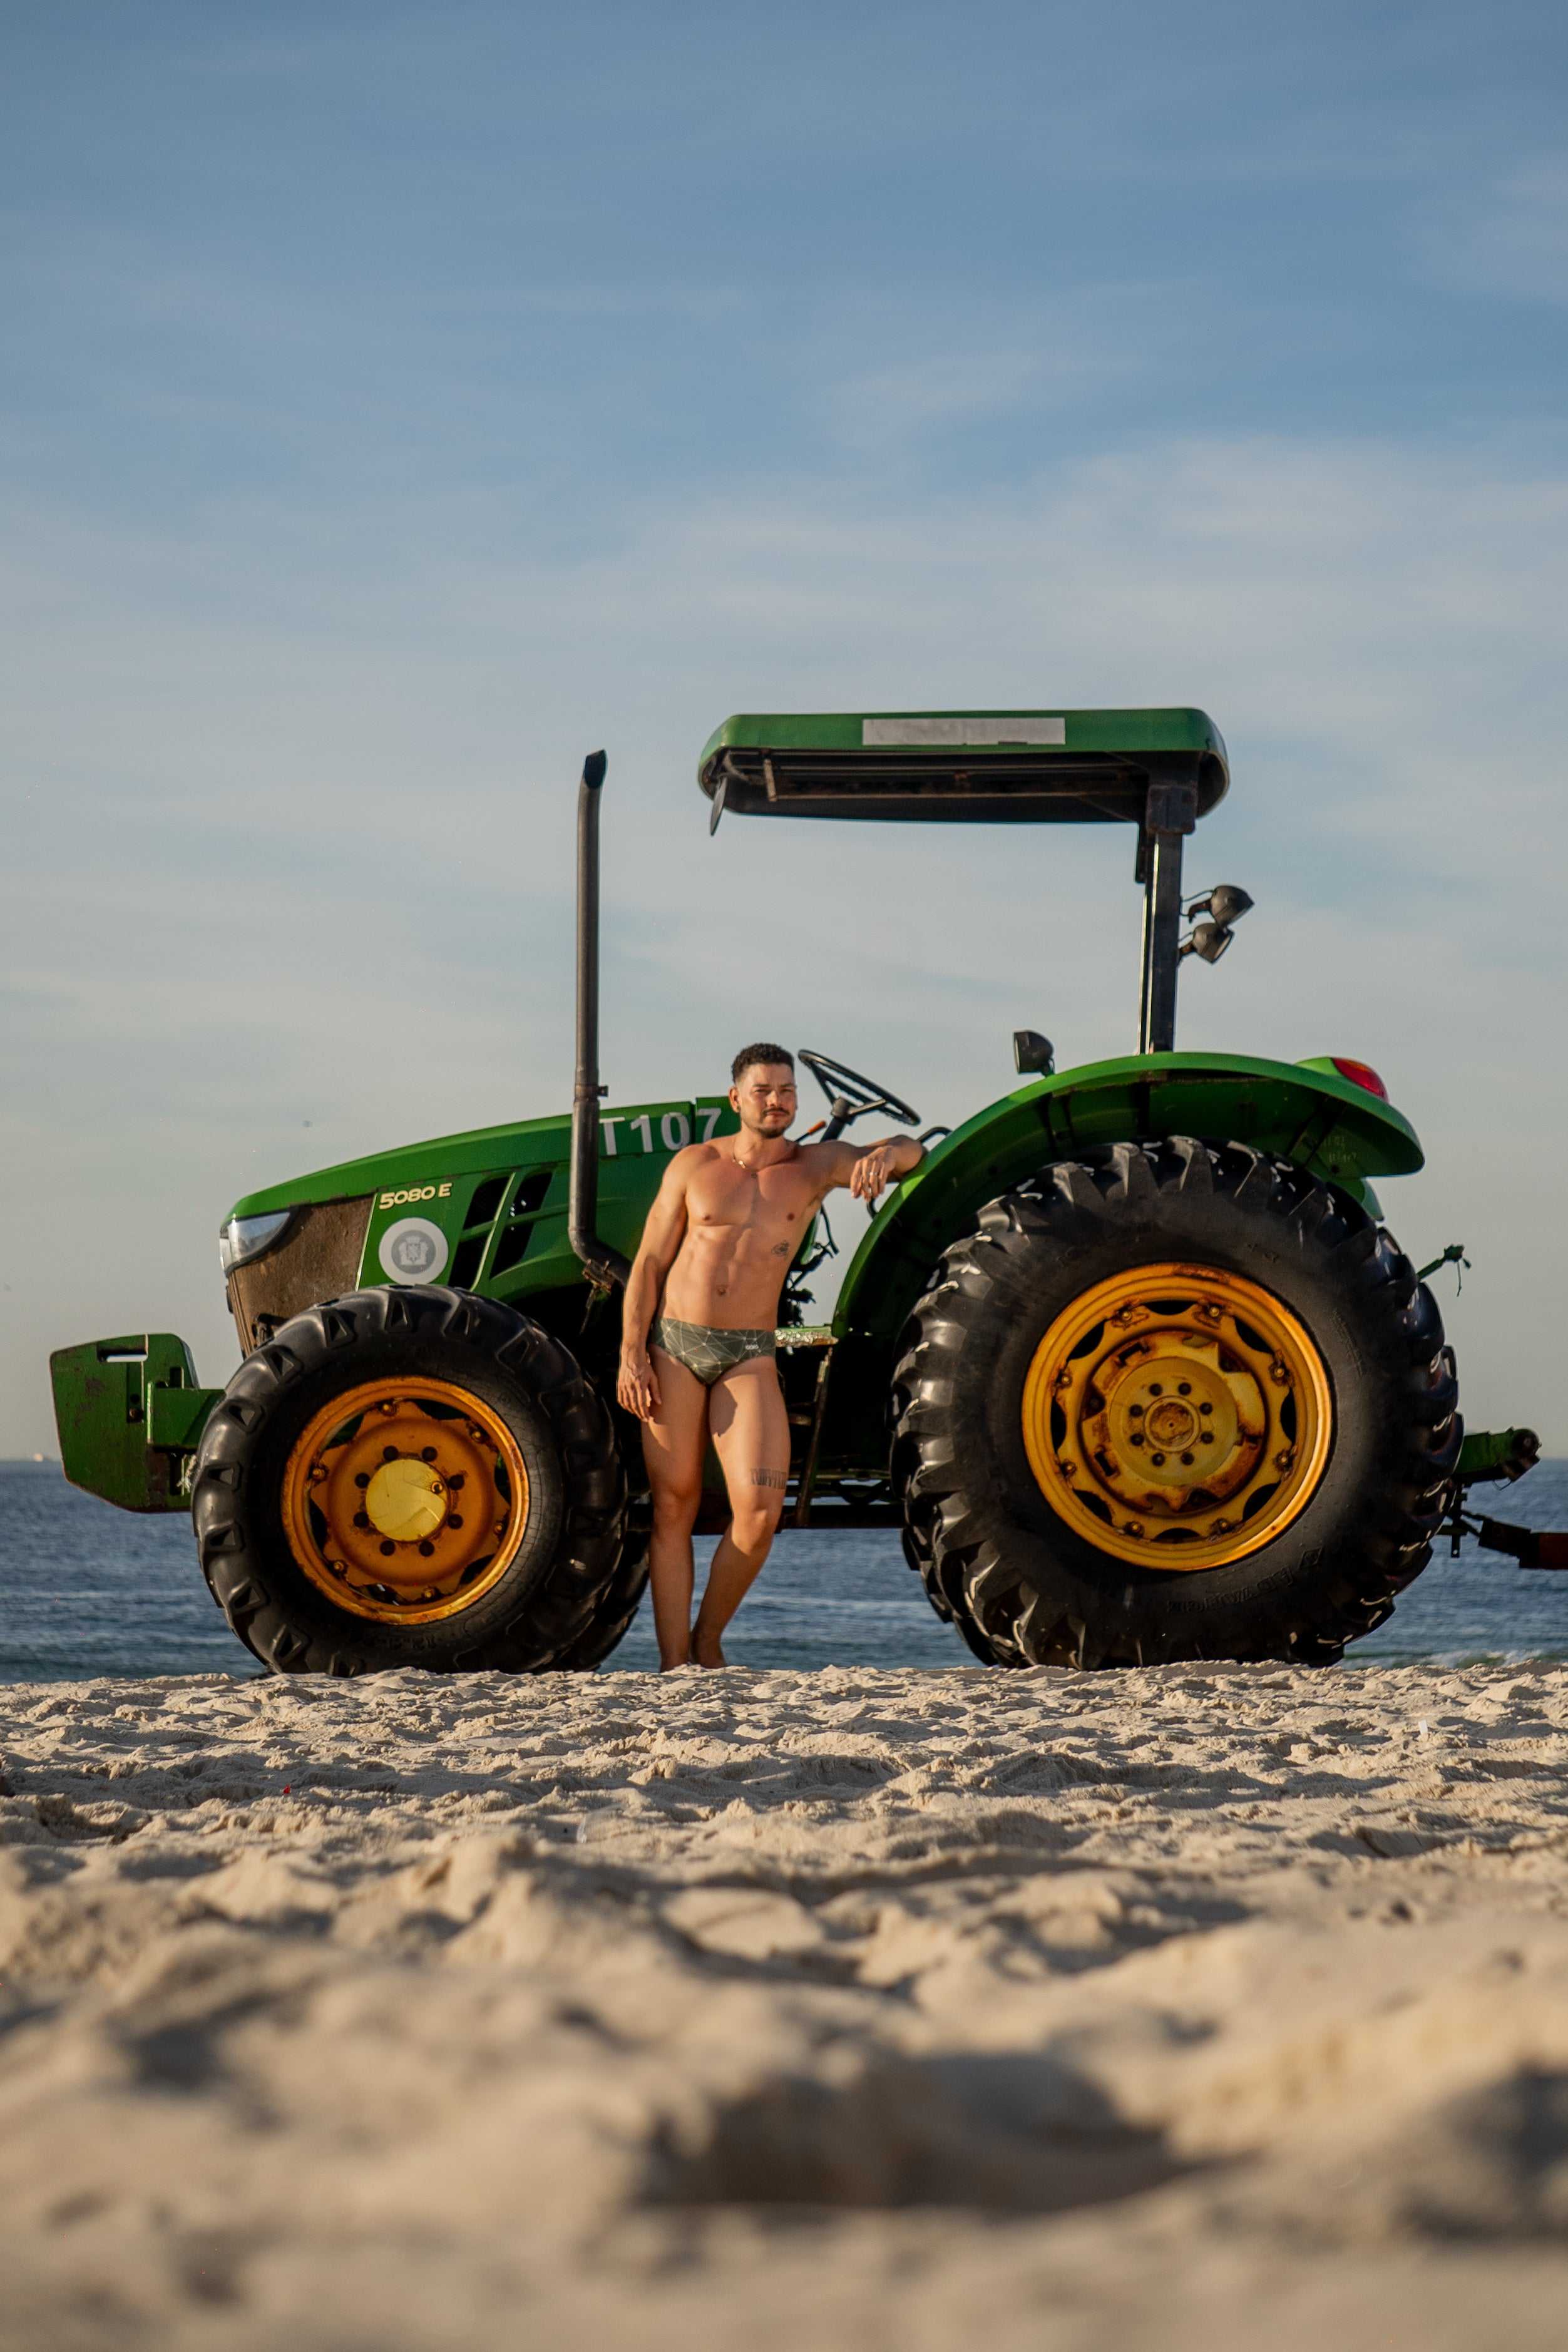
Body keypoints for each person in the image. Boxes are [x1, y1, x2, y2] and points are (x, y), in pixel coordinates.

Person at [617, 1044, 925, 1669]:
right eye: (763, 1090)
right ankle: (674, 1665)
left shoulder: (814, 1166)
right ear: (737, 1098)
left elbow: (911, 1149)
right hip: (675, 1346)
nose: (777, 1100)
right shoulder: (694, 1164)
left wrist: (887, 1154)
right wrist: (632, 1354)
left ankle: (708, 1640)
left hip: (748, 1355)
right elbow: (648, 1263)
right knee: (673, 1505)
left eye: (786, 1090)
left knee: (759, 1515)